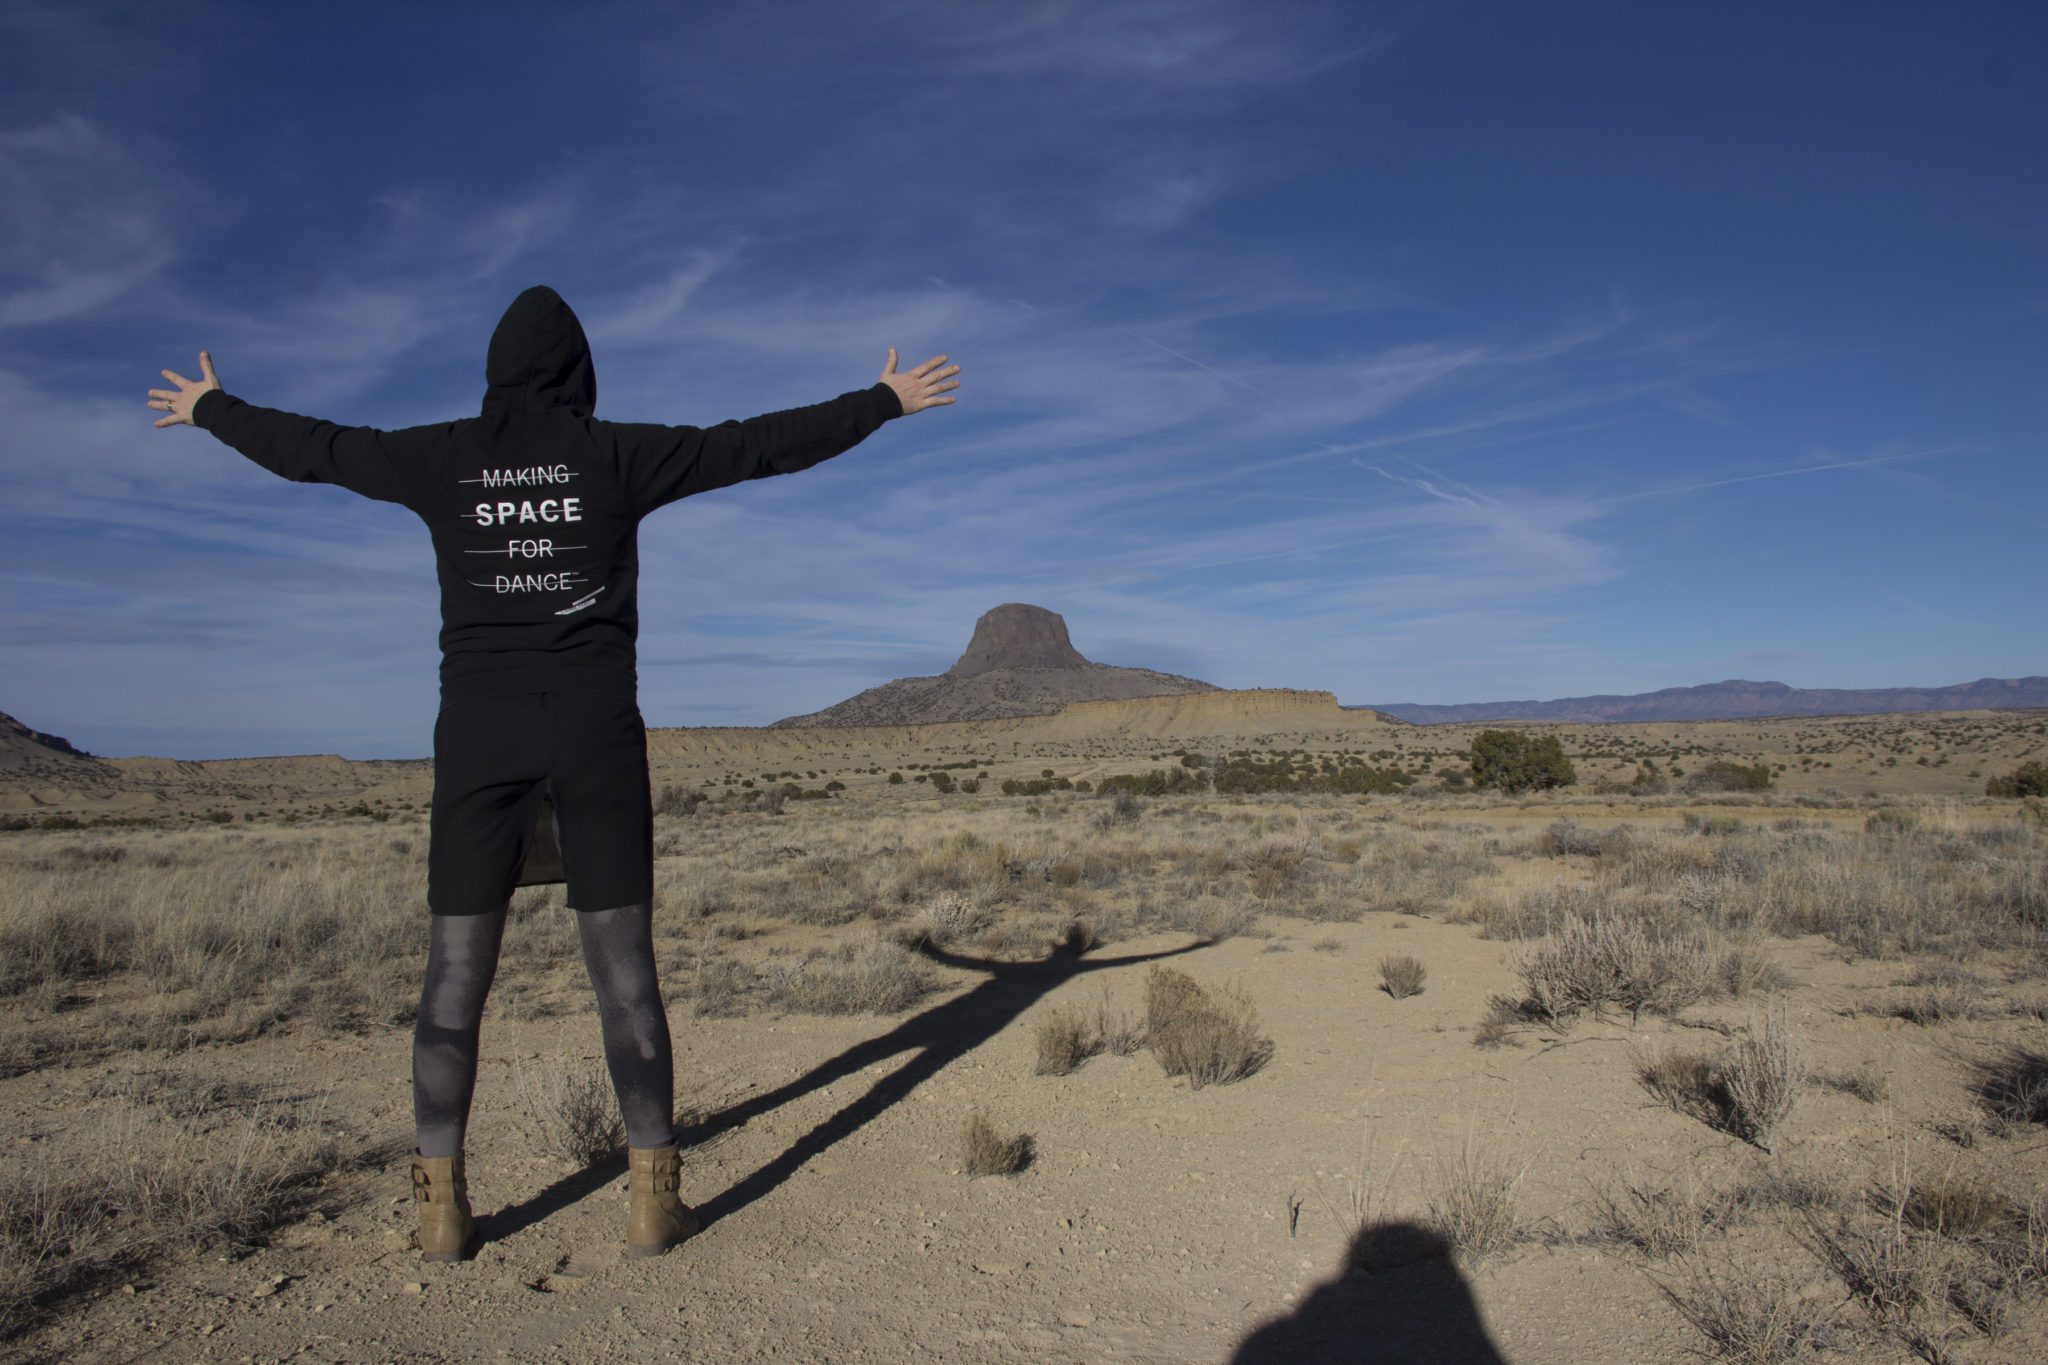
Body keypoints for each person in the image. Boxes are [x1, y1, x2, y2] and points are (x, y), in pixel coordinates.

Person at [147, 285, 960, 1261]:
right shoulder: (616, 453)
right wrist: (880, 399)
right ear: (581, 373)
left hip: (478, 741)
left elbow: (316, 448)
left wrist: (210, 408)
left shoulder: (438, 455)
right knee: (623, 976)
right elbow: (753, 444)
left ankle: (442, 1213)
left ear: (493, 370)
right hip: (594, 733)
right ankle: (653, 1203)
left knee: (453, 979)